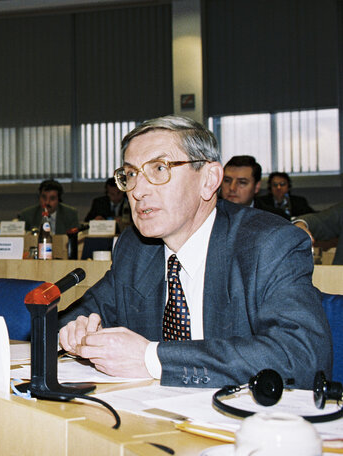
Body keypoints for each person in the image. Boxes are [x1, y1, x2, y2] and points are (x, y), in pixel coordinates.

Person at [59, 115, 331, 389]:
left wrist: (153, 359)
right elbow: (75, 318)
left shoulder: (268, 244)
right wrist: (75, 332)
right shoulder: (135, 247)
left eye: (159, 169)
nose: (138, 191)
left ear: (209, 179)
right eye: (130, 174)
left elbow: (303, 358)